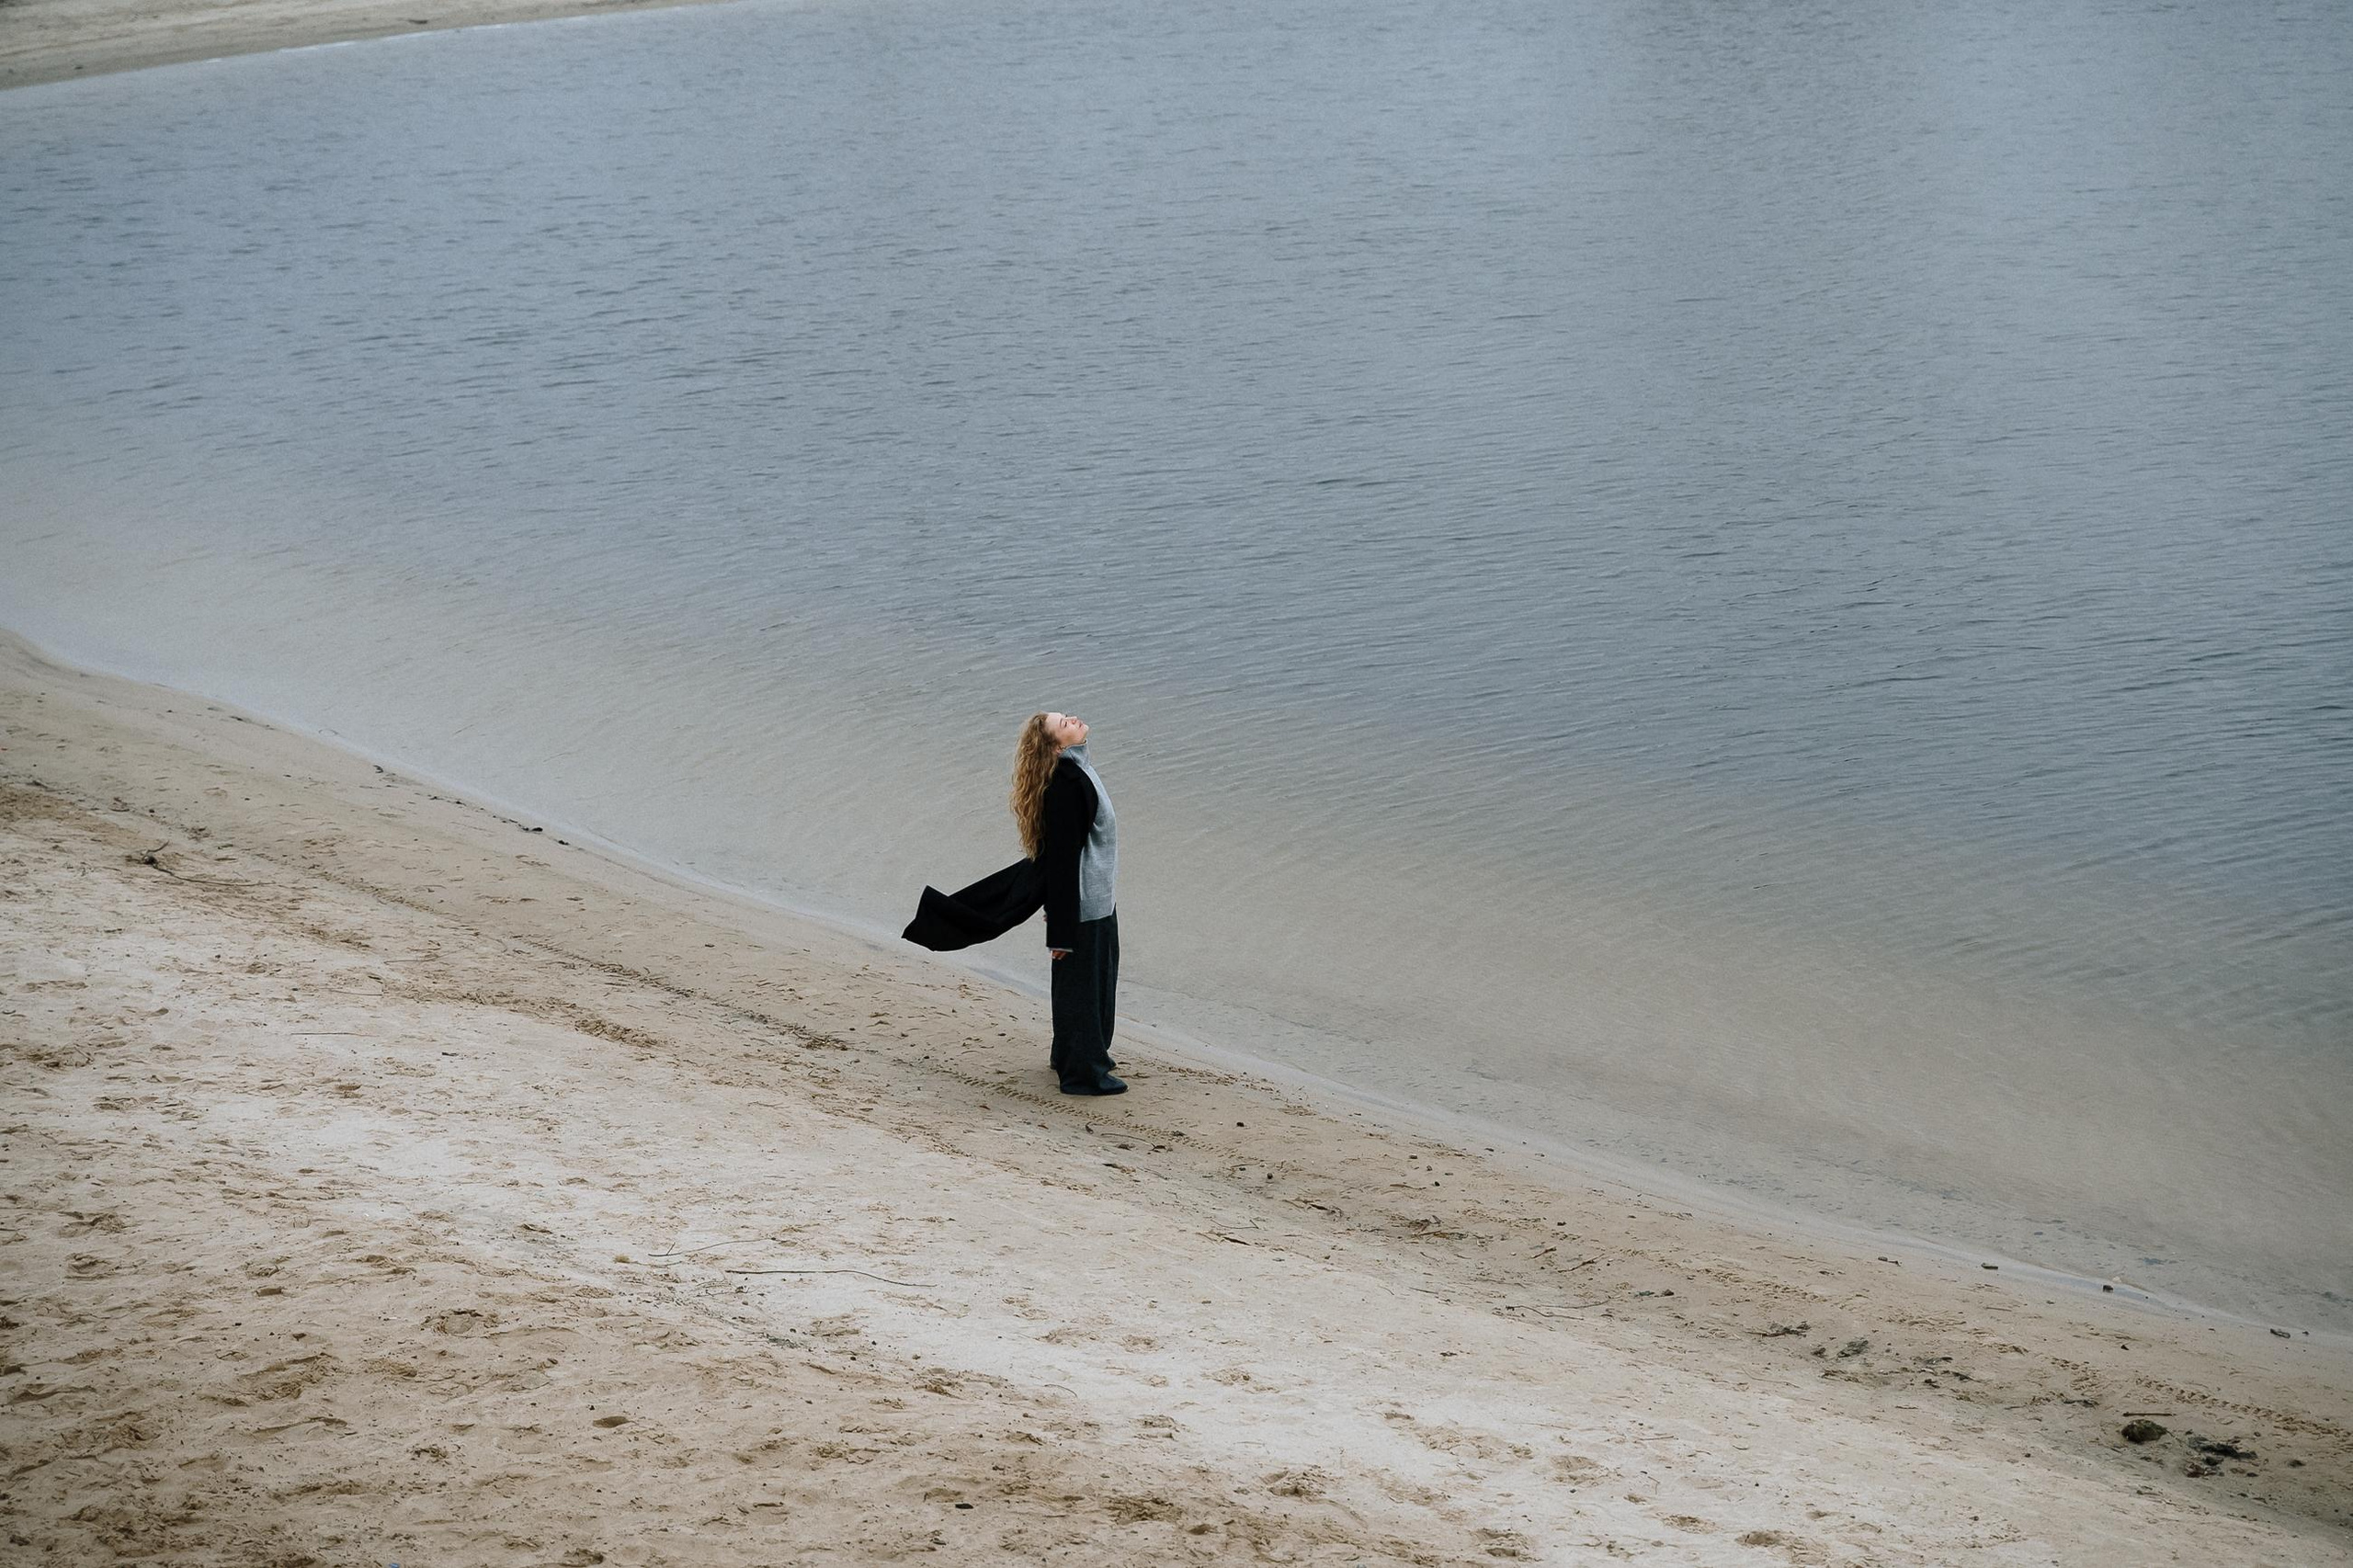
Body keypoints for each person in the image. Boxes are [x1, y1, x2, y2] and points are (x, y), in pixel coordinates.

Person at [901, 710, 1125, 1096]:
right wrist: (1061, 929)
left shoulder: (1077, 770)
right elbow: (1062, 860)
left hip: (1097, 897)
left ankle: (1075, 1054)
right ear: (1056, 748)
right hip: (1084, 902)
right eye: (1064, 723)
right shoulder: (1067, 784)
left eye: (1067, 716)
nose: (1072, 719)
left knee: (1096, 982)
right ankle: (1083, 1074)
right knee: (1082, 989)